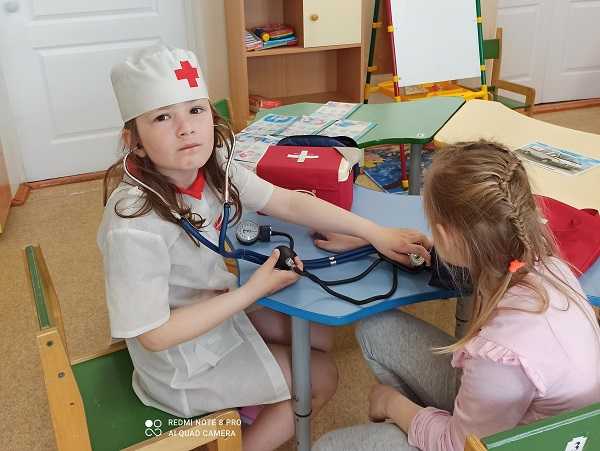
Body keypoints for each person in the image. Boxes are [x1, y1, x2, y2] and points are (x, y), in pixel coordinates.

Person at [97, 45, 431, 451]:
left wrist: (375, 233)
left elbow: (286, 202)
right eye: (162, 117)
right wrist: (253, 291)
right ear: (134, 141)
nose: (186, 129)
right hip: (180, 361)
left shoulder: (213, 165)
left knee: (316, 333)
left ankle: (252, 402)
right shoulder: (132, 226)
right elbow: (154, 335)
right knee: (321, 376)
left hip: (214, 308)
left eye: (196, 110)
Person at [313, 141, 600, 451]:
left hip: (499, 442)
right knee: (376, 328)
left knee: (328, 446)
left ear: (447, 236)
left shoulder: (500, 355)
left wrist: (391, 404)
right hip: (514, 414)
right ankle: (422, 424)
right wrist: (372, 239)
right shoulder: (548, 264)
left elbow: (458, 445)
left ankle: (416, 425)